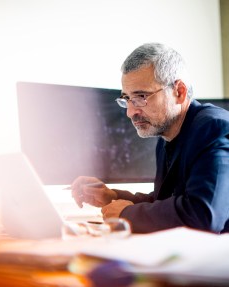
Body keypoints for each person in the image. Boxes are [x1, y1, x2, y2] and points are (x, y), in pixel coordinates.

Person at [70, 42, 229, 234]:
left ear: (179, 92)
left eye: (141, 97)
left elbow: (203, 215)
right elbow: (165, 202)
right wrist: (112, 197)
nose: (130, 112)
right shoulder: (166, 136)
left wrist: (127, 214)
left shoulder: (214, 128)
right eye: (127, 99)